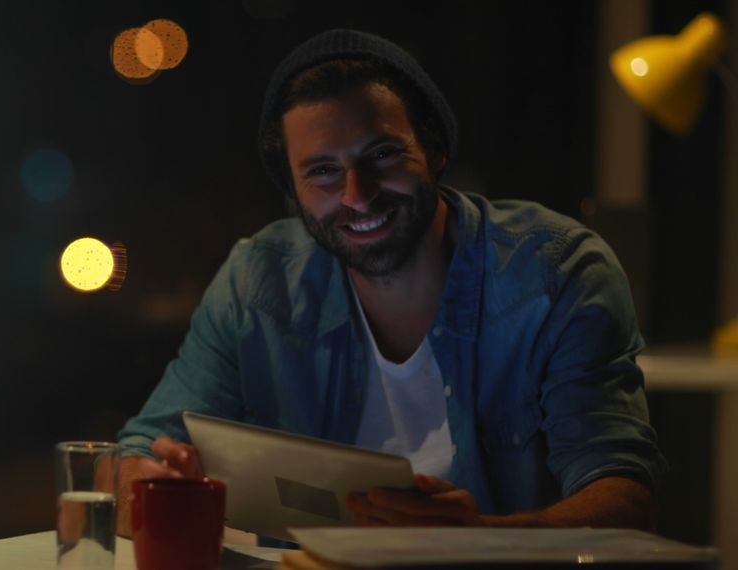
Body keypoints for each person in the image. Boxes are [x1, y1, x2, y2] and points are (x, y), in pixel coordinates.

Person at [115, 29, 665, 536]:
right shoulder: (258, 281)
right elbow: (137, 454)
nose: (357, 194)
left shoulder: (555, 273)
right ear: (293, 188)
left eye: (382, 154)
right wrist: (160, 483)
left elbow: (623, 499)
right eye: (323, 171)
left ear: (436, 151)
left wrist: (480, 544)